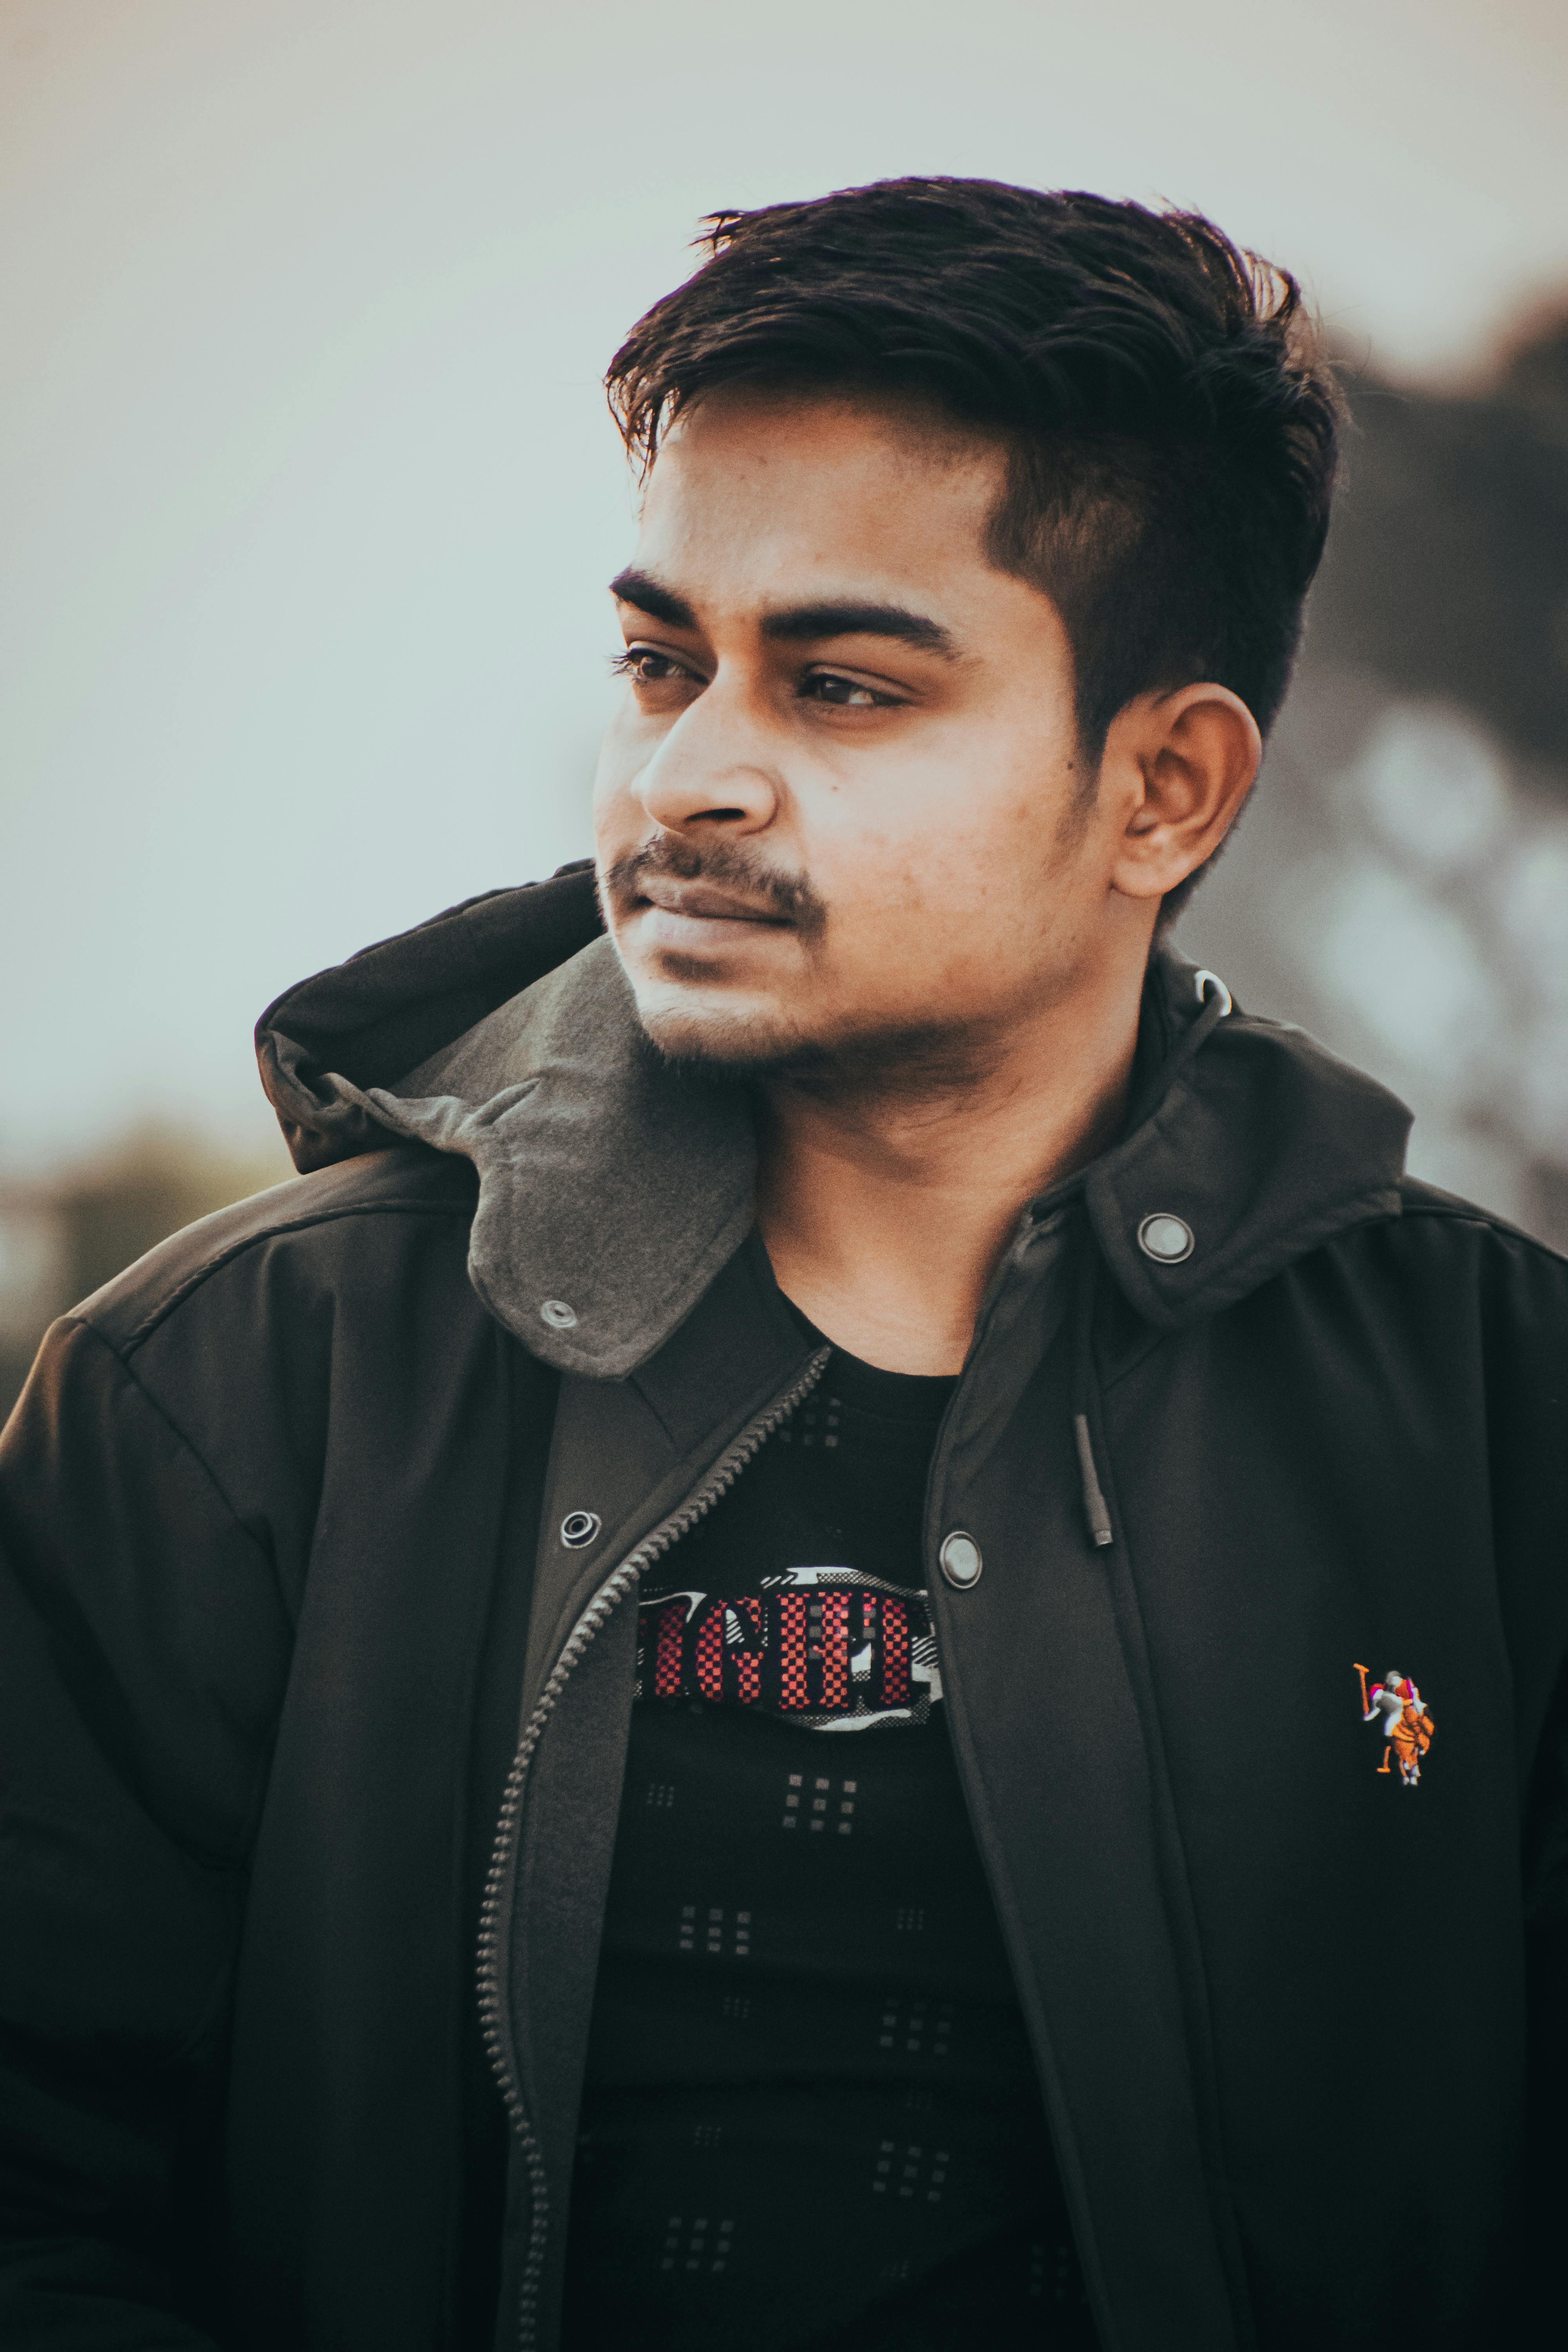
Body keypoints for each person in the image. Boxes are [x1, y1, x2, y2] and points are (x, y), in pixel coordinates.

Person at [0, 177, 1563, 2352]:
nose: (688, 775)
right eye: (663, 662)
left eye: (839, 685)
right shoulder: (231, 1389)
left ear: (1167, 791)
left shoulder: (1496, 1427)